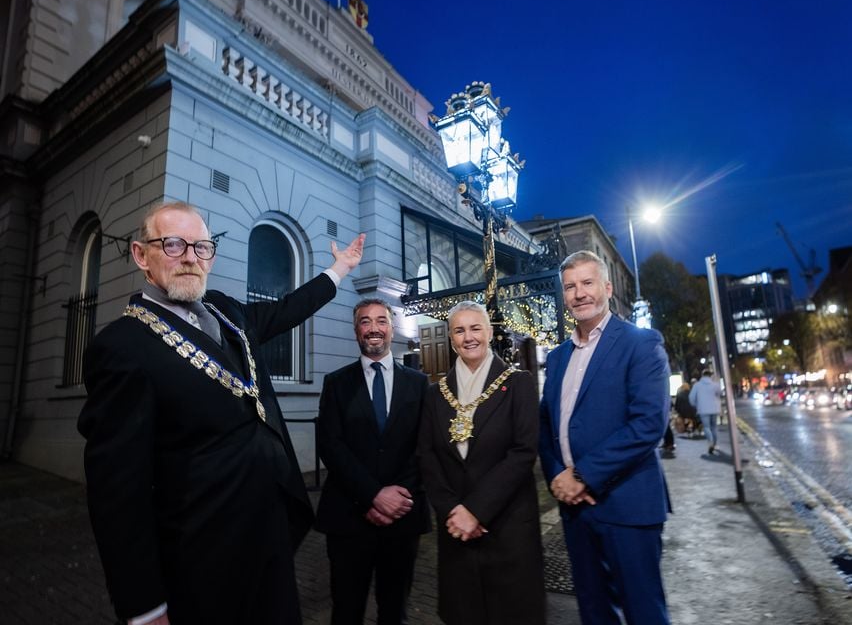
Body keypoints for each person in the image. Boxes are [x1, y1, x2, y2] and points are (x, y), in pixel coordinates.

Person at [77, 200, 365, 625]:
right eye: (173, 245)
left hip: (270, 534)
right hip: (202, 557)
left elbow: (288, 309)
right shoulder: (123, 347)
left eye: (202, 247)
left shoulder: (226, 311)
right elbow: (118, 492)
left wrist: (338, 270)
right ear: (142, 255)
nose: (191, 257)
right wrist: (144, 606)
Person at [539, 250, 672, 625]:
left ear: (607, 288)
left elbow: (648, 424)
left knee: (644, 612)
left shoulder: (640, 343)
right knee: (594, 612)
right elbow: (546, 425)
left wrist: (580, 475)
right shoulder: (557, 356)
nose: (579, 293)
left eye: (587, 283)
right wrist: (556, 477)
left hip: (627, 506)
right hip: (576, 511)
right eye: (570, 287)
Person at [418, 301, 545, 625]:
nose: (468, 337)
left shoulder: (519, 384)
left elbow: (523, 453)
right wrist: (452, 512)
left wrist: (475, 510)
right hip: (456, 531)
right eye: (459, 330)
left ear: (489, 332)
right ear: (450, 338)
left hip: (508, 528)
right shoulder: (435, 394)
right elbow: (428, 456)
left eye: (476, 328)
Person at [315, 298, 430, 625]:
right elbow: (331, 445)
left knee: (395, 610)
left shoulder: (418, 383)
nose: (374, 328)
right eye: (365, 321)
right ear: (356, 331)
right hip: (350, 515)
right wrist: (372, 495)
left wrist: (397, 498)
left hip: (403, 516)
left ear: (392, 328)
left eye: (381, 320)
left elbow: (424, 445)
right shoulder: (336, 383)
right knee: (346, 609)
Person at [689, 369, 722, 454]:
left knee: (706, 427)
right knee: (713, 427)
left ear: (702, 375)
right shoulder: (715, 385)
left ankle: (710, 443)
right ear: (710, 375)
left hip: (703, 409)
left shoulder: (697, 385)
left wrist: (695, 405)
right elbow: (719, 393)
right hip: (714, 408)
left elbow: (691, 398)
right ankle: (714, 444)